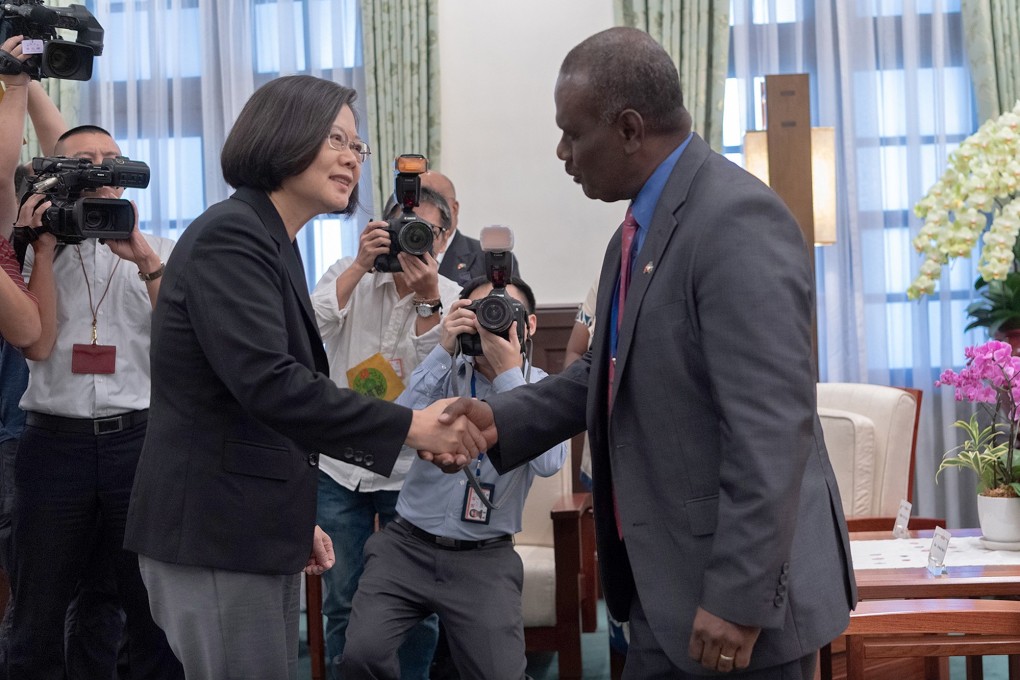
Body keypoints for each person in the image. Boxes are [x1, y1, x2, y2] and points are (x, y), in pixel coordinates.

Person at [430, 27, 856, 679]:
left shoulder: (736, 222)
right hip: (665, 590)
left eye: (572, 133)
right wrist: (504, 419)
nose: (561, 152)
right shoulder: (640, 230)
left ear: (629, 129)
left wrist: (737, 600)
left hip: (734, 609)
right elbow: (606, 375)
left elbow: (771, 431)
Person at [122, 74, 485, 680]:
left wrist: (293, 518)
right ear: (284, 138)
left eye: (356, 146)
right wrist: (413, 428)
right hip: (214, 530)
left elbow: (256, 406)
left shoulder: (272, 239)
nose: (351, 157)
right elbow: (271, 384)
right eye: (335, 139)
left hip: (244, 521)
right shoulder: (232, 237)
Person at [8, 101, 182, 680]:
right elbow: (35, 343)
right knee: (38, 609)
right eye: (84, 162)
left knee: (146, 608)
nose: (103, 171)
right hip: (53, 449)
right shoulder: (30, 253)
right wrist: (41, 245)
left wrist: (146, 260)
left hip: (138, 444)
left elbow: (183, 348)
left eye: (112, 160)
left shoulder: (157, 248)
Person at [341, 275, 565, 680]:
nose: (491, 324)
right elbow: (395, 433)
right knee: (362, 656)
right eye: (480, 313)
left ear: (529, 326)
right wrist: (442, 349)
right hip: (407, 546)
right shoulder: (443, 372)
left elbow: (550, 463)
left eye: (504, 315)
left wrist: (509, 375)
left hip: (485, 559)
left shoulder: (540, 388)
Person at [309, 185, 461, 679]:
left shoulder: (453, 297)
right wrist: (357, 266)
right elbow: (307, 333)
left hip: (409, 470)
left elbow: (437, 378)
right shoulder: (347, 276)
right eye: (406, 228)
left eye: (429, 232)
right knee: (342, 597)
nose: (416, 241)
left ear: (445, 237)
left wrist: (428, 301)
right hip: (340, 465)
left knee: (417, 602)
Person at [420, 171, 521, 286]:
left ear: (454, 208)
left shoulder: (490, 259)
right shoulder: (399, 254)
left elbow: (509, 301)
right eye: (419, 198)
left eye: (434, 199)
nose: (424, 206)